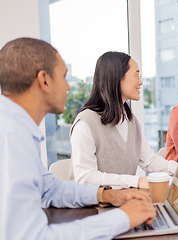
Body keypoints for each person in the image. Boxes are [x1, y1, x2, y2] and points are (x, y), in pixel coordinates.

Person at [0, 38, 156, 239]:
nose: (68, 86)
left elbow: (49, 189)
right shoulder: (11, 138)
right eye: (64, 77)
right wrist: (123, 218)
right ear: (44, 80)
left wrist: (105, 194)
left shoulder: (16, 127)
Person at [70, 51, 178, 189]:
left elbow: (149, 160)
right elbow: (85, 178)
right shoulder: (85, 124)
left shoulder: (130, 120)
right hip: (94, 207)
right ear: (116, 77)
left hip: (124, 201)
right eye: (136, 75)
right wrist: (136, 181)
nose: (140, 82)